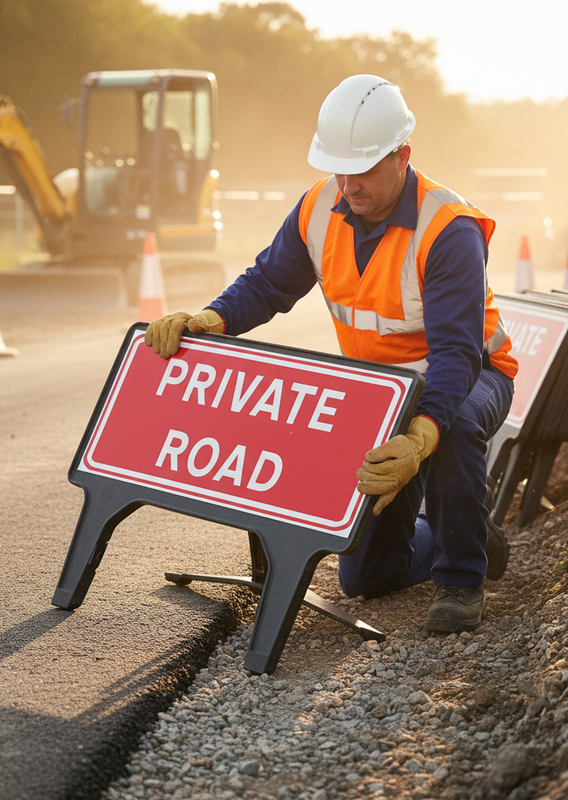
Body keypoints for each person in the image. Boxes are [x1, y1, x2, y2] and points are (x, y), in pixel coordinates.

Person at [144, 74, 518, 633]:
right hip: (381, 389)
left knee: (456, 429)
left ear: (402, 157)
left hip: (468, 377)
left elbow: (456, 358)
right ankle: (453, 527)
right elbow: (268, 284)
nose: (349, 184)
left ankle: (462, 578)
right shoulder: (321, 206)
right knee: (364, 578)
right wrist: (211, 319)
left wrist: (418, 439)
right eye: (339, 167)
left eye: (363, 168)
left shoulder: (449, 230)